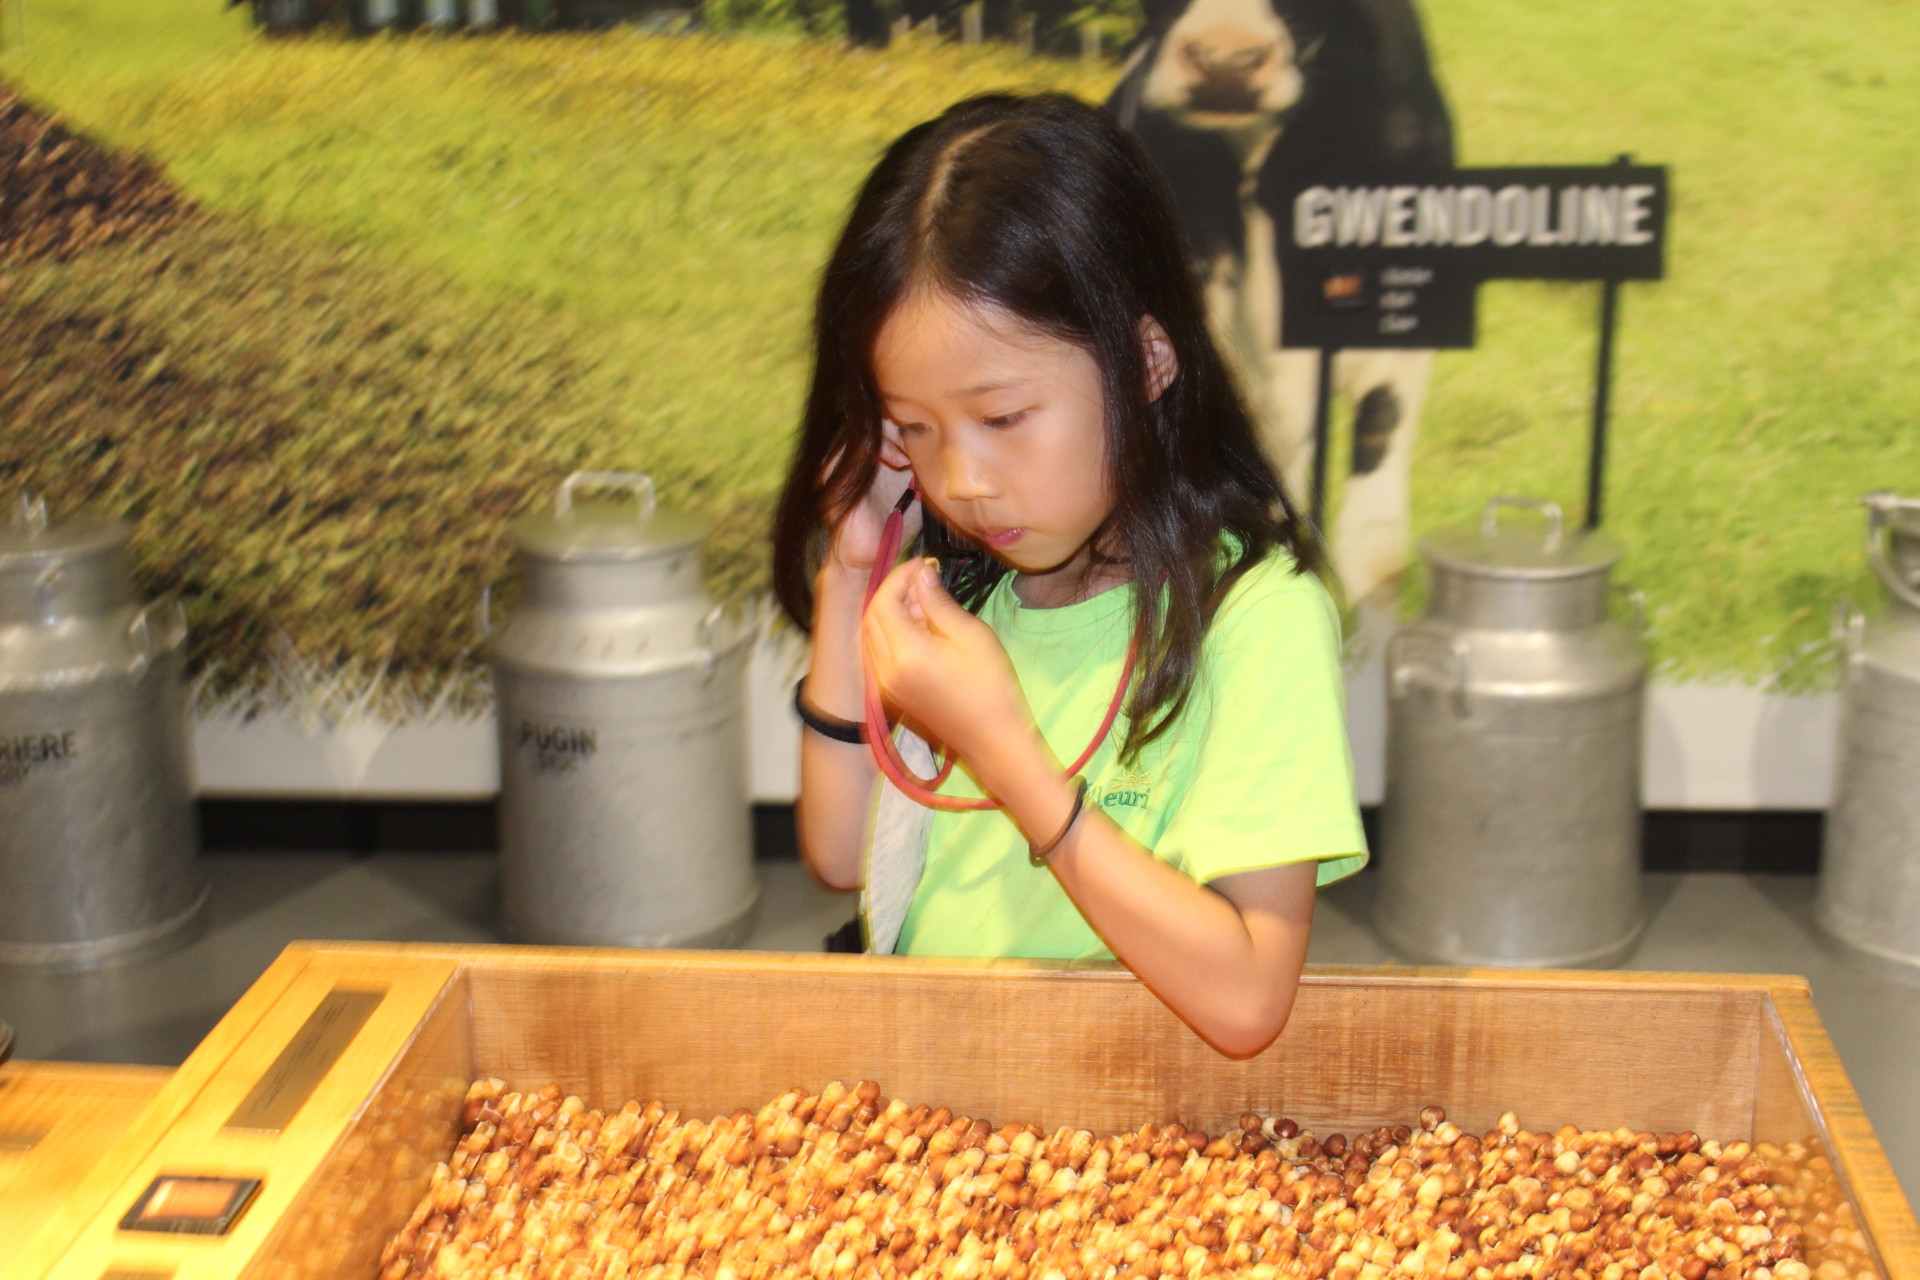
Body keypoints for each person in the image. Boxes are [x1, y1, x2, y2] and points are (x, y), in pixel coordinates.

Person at [770, 92, 1365, 1058]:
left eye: (1003, 418)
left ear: (1147, 360)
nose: (962, 480)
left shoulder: (1256, 617)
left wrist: (1002, 748)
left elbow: (1249, 1002)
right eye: (914, 428)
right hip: (939, 1099)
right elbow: (840, 857)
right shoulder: (958, 597)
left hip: (1126, 1119)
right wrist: (851, 569)